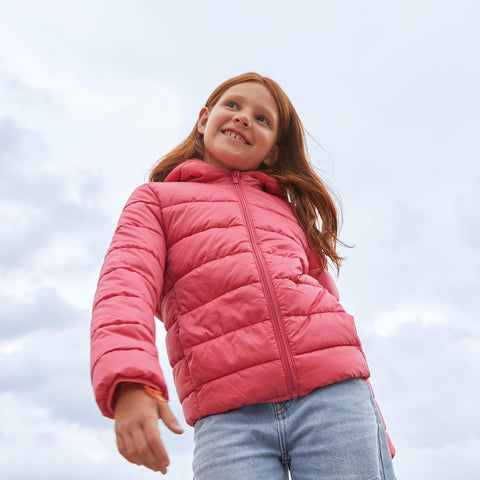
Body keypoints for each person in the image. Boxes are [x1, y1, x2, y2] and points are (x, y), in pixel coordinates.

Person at [90, 72, 396, 479]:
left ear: (273, 152)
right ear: (204, 119)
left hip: (335, 404)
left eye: (262, 118)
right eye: (232, 105)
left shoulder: (291, 214)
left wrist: (375, 428)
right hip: (229, 420)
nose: (243, 118)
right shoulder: (155, 201)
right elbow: (123, 287)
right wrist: (128, 381)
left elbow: (333, 316)